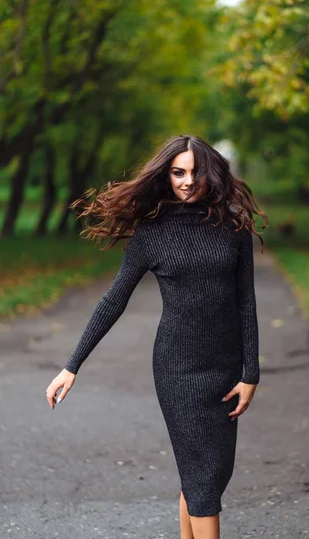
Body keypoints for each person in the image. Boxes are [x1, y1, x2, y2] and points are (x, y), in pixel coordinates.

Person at [45, 134, 268, 539]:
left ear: (211, 174)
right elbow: (114, 301)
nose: (186, 181)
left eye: (195, 172)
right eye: (177, 172)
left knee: (210, 474)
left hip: (226, 365)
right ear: (165, 176)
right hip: (178, 369)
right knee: (202, 479)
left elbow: (245, 303)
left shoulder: (232, 226)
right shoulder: (152, 234)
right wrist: (71, 365)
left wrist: (251, 373)